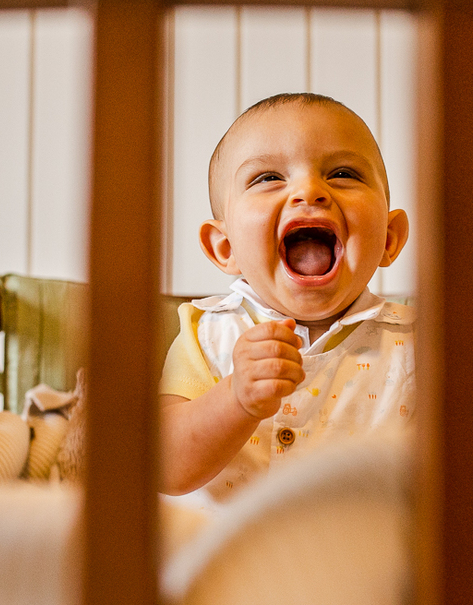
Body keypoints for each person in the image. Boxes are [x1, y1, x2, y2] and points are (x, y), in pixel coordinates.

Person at [159, 93, 413, 504]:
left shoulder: (420, 347)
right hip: (230, 559)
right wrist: (236, 399)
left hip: (368, 558)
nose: (309, 191)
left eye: (343, 173)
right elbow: (166, 466)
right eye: (268, 178)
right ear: (225, 247)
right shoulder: (209, 334)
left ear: (389, 237)